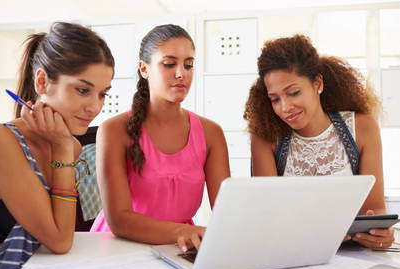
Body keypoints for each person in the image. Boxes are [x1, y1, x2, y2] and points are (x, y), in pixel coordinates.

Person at [0, 22, 114, 269]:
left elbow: (60, 236)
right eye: (83, 90)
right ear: (42, 82)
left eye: (102, 94)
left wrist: (65, 147)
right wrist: (63, 149)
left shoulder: (71, 145)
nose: (94, 107)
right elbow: (59, 240)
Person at [243, 34, 394, 249]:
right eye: (275, 99)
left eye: (293, 93)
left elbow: (375, 208)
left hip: (353, 257)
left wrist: (381, 234)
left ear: (318, 83)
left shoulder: (362, 128)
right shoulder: (265, 138)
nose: (284, 108)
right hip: (292, 254)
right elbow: (269, 218)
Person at [90, 24, 230, 252]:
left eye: (188, 65)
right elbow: (119, 220)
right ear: (144, 69)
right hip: (118, 246)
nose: (181, 73)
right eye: (169, 64)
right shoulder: (113, 130)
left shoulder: (211, 132)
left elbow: (227, 211)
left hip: (180, 246)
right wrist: (179, 232)